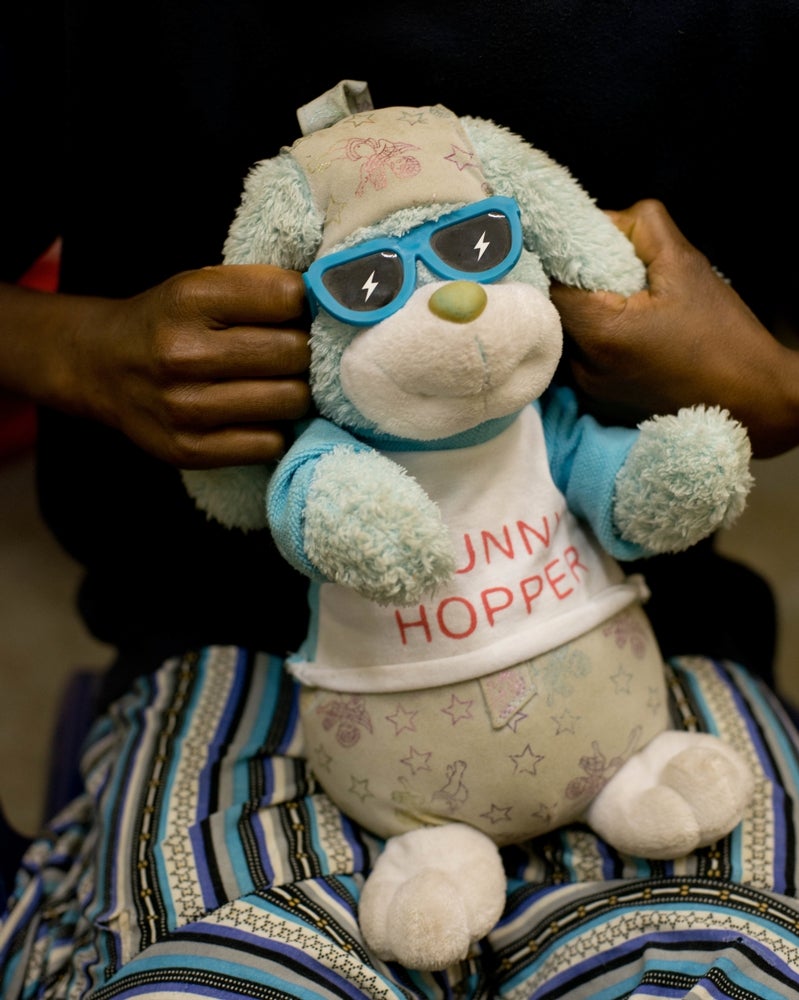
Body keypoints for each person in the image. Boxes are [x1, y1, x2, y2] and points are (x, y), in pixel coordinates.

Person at [1, 2, 799, 996]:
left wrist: (774, 388)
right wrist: (66, 349)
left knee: (746, 963)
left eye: (478, 249)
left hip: (649, 660)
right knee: (218, 970)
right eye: (374, 282)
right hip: (230, 650)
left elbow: (665, 465)